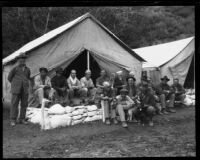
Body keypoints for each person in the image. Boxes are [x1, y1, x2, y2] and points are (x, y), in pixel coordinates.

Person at [7, 54, 31, 126]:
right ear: (18, 60)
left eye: (24, 58)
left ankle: (22, 119)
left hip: (25, 89)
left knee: (24, 104)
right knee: (14, 104)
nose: (22, 60)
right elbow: (9, 78)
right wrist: (16, 84)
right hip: (16, 89)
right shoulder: (15, 68)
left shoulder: (28, 69)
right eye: (21, 58)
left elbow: (27, 77)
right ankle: (13, 120)